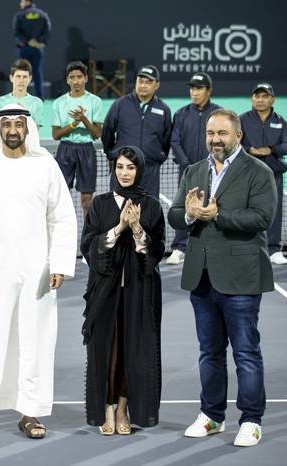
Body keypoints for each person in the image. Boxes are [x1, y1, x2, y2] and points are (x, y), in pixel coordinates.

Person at [0, 104, 77, 439]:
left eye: (18, 124)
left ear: (27, 129)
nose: (12, 130)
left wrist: (61, 263)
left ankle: (31, 413)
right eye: (6, 124)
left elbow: (62, 217)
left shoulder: (46, 166)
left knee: (35, 340)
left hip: (37, 269)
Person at [168, 108, 276, 447]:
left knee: (245, 352)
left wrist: (219, 215)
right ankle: (212, 416)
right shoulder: (194, 170)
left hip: (241, 278)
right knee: (209, 352)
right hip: (202, 277)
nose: (215, 139)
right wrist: (187, 213)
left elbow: (262, 217)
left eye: (222, 134)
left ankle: (251, 420)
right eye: (211, 134)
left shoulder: (258, 171)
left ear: (238, 136)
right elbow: (174, 214)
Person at [80, 146, 165, 436]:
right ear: (113, 169)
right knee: (108, 351)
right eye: (120, 167)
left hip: (140, 293)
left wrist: (138, 228)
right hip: (105, 292)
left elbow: (158, 251)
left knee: (134, 351)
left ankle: (123, 409)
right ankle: (107, 408)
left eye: (130, 167)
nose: (125, 173)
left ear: (139, 170)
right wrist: (118, 228)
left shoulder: (151, 206)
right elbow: (88, 246)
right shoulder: (101, 204)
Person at [167, 73, 221, 265]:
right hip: (188, 170)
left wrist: (212, 163)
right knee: (184, 207)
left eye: (198, 88)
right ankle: (180, 246)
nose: (194, 92)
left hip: (213, 170)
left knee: (211, 207)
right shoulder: (181, 114)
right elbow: (175, 140)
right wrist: (186, 164)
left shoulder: (219, 114)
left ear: (209, 91)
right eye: (192, 88)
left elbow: (223, 140)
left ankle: (208, 245)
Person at [102, 65, 172, 199]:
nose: (143, 85)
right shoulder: (120, 104)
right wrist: (111, 154)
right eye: (140, 81)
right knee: (117, 210)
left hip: (150, 170)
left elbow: (166, 139)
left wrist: (158, 156)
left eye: (148, 82)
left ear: (157, 85)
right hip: (124, 169)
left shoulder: (163, 110)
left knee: (148, 212)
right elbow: (107, 131)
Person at [240, 83, 287, 265]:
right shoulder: (242, 120)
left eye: (264, 96)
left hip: (273, 174)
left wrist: (271, 149)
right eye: (257, 96)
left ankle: (273, 249)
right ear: (252, 99)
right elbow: (233, 142)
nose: (260, 99)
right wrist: (249, 150)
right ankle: (247, 246)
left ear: (272, 99)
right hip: (247, 173)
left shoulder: (280, 121)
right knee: (245, 210)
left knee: (274, 211)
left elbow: (286, 144)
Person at [52, 60, 104, 218]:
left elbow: (96, 134)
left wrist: (84, 119)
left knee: (87, 201)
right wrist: (74, 124)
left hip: (86, 150)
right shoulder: (59, 103)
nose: (76, 81)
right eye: (72, 77)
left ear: (86, 79)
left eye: (79, 77)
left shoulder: (95, 101)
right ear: (68, 80)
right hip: (65, 150)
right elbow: (56, 135)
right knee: (61, 197)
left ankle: (88, 238)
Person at [13, 1, 51, 100]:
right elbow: (47, 30)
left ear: (27, 1)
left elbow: (16, 32)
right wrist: (40, 43)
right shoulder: (42, 15)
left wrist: (28, 41)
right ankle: (40, 97)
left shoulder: (20, 15)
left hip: (24, 48)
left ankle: (20, 96)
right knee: (37, 72)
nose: (20, 3)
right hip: (37, 48)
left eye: (21, 1)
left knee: (21, 72)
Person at [0, 59, 43, 127]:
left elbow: (35, 132)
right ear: (11, 78)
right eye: (18, 76)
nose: (21, 80)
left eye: (25, 77)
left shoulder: (36, 103)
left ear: (30, 79)